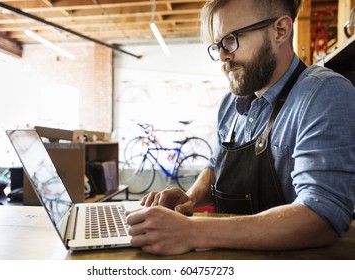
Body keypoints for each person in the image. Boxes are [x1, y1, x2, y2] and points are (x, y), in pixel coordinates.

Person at [126, 0, 355, 256]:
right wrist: (190, 198)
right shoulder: (230, 104)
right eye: (217, 46)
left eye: (232, 39)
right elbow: (216, 165)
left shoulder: (324, 94)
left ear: (280, 30)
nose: (223, 55)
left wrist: (191, 231)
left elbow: (321, 216)